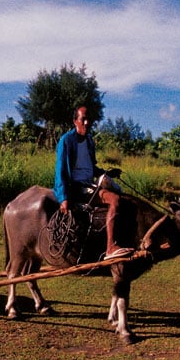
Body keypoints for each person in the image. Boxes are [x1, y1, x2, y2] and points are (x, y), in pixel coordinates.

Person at [53, 106, 132, 260]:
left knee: (121, 194)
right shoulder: (66, 141)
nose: (87, 123)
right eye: (83, 119)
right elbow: (60, 170)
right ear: (75, 121)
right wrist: (63, 198)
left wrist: (107, 173)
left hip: (89, 184)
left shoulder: (89, 141)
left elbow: (90, 167)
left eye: (89, 120)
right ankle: (110, 247)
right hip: (77, 187)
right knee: (114, 200)